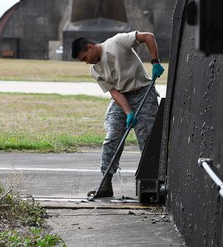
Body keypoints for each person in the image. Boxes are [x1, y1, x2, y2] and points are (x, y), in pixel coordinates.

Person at [71, 31, 165, 198]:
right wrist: (128, 112)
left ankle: (154, 183)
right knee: (112, 138)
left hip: (143, 91)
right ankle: (106, 183)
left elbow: (148, 36)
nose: (86, 62)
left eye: (84, 58)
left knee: (148, 140)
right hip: (122, 98)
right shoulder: (95, 70)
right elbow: (114, 92)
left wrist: (155, 61)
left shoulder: (117, 42)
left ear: (90, 47)